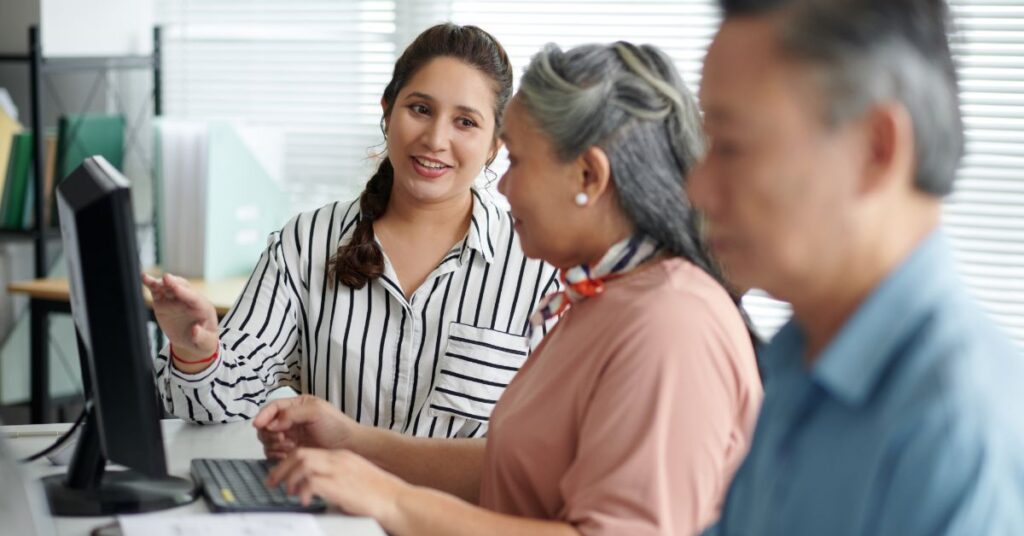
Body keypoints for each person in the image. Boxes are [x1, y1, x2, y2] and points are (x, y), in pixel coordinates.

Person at [255, 41, 762, 536]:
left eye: (517, 161)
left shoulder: (670, 323)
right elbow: (518, 470)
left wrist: (392, 501)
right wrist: (354, 442)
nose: (501, 186)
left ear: (588, 175)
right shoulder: (600, 298)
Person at [688, 0, 1024, 534]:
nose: (698, 189)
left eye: (730, 147)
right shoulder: (802, 357)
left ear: (875, 149)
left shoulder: (953, 428)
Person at [142, 23, 560, 438]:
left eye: (465, 122)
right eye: (420, 109)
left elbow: (549, 444)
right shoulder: (306, 244)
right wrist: (197, 351)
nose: (435, 139)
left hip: (464, 489)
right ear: (387, 111)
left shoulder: (539, 267)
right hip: (324, 485)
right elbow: (218, 401)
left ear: (495, 144)